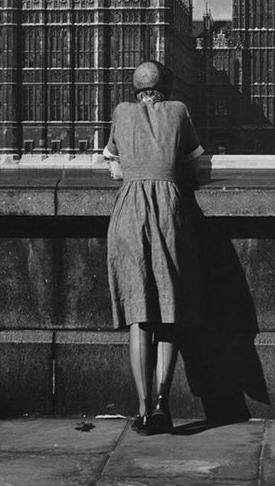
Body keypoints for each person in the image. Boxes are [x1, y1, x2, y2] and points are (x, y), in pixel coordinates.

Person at [103, 60, 204, 435]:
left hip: (129, 211)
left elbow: (112, 162)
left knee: (139, 315)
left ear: (136, 88)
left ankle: (142, 409)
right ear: (168, 86)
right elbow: (195, 164)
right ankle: (163, 404)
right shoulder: (179, 112)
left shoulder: (121, 113)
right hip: (170, 211)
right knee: (169, 311)